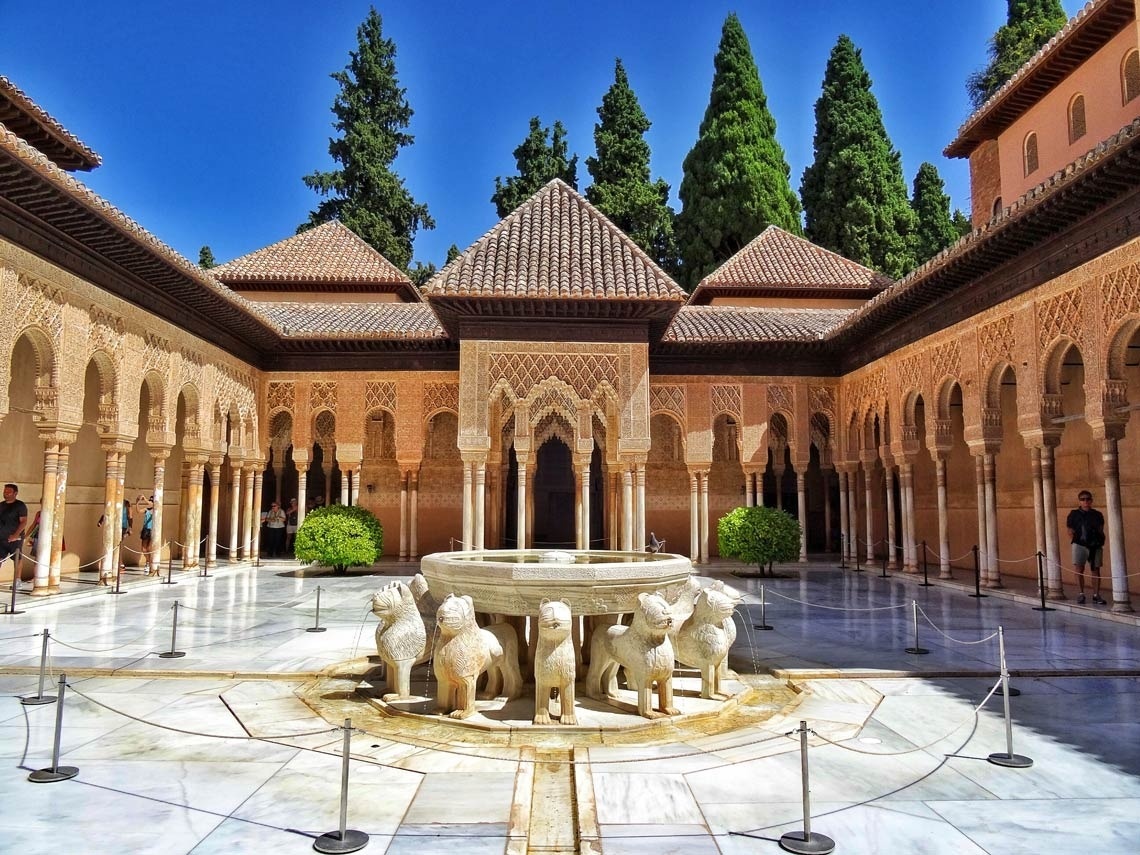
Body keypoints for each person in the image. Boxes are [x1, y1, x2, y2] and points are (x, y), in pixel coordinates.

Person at [1067, 490, 1106, 605]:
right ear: (1079, 501)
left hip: (1095, 545)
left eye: (1088, 499)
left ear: (1091, 500)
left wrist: (1097, 541)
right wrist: (1077, 542)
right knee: (1079, 569)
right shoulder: (1074, 514)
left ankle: (1096, 594)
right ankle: (1081, 594)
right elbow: (1070, 530)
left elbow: (1100, 529)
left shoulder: (1097, 514)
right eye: (1083, 499)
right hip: (1079, 544)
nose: (1085, 501)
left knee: (1095, 570)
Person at [0, 484, 28, 586]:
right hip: (2, 538)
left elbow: (23, 521)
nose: (6, 494)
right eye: (5, 492)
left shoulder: (20, 505)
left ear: (15, 493)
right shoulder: (1, 505)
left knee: (17, 558)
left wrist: (16, 535)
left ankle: (17, 580)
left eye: (8, 492)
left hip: (15, 539)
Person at [137, 495, 157, 575]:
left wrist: (144, 498)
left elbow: (152, 504)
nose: (150, 502)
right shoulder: (147, 509)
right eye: (150, 500)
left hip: (151, 529)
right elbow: (138, 511)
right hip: (145, 529)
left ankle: (148, 563)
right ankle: (148, 561)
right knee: (143, 549)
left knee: (149, 548)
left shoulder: (155, 509)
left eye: (152, 500)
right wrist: (137, 503)